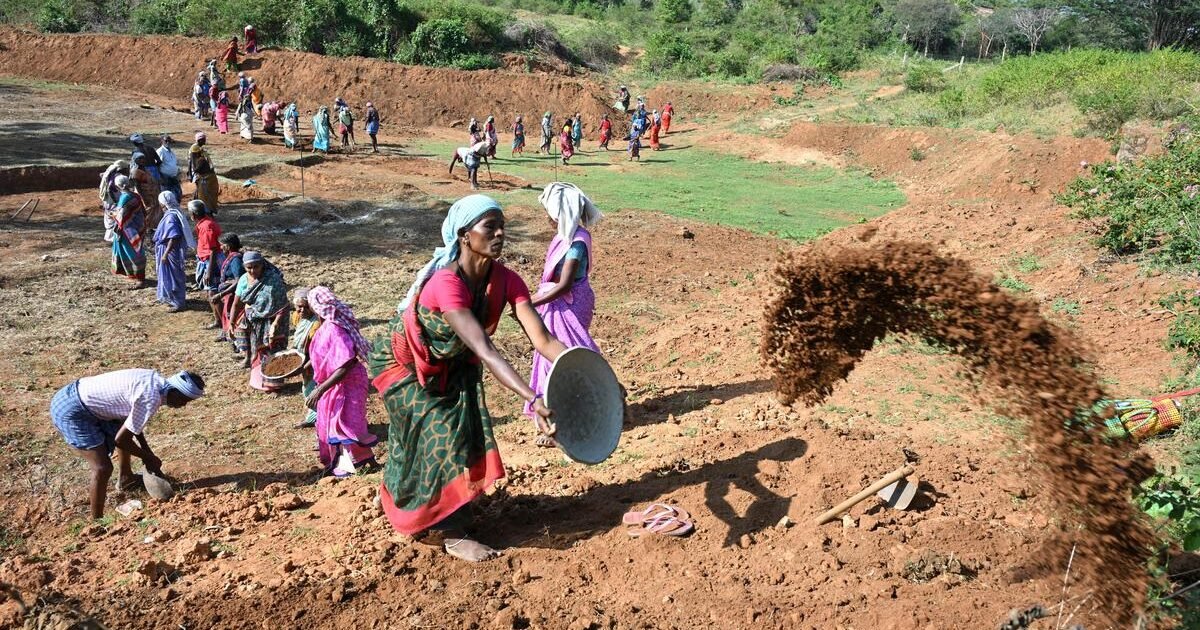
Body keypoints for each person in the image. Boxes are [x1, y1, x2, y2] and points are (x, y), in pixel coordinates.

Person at [367, 194, 566, 562]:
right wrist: (532, 397)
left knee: (463, 432)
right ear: (464, 235)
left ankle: (445, 510)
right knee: (438, 434)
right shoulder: (447, 283)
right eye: (489, 226)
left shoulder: (507, 280)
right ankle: (450, 533)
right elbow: (486, 349)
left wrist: (586, 370)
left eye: (501, 225)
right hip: (407, 369)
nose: (500, 233)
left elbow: (542, 339)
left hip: (455, 366)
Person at [50, 369, 205, 519]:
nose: (184, 405)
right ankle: (96, 521)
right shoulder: (150, 397)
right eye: (184, 400)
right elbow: (121, 440)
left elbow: (132, 425)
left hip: (76, 396)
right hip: (72, 409)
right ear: (175, 391)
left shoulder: (154, 382)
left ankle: (126, 479)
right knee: (102, 468)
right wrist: (148, 458)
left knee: (122, 430)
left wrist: (147, 453)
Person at [527, 182, 603, 446]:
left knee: (563, 360)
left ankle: (560, 421)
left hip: (570, 303)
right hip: (560, 304)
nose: (547, 218)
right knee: (555, 358)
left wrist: (528, 302)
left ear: (558, 214)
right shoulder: (565, 236)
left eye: (549, 212)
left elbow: (564, 285)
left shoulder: (577, 243)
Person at [305, 286, 378, 477]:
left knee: (345, 423)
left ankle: (351, 465)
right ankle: (351, 462)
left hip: (347, 383)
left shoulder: (335, 329)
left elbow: (344, 364)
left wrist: (319, 390)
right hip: (334, 383)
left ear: (315, 307)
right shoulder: (325, 327)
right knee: (334, 423)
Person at [238, 251, 289, 391]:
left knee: (273, 351)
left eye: (256, 266)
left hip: (274, 323)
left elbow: (282, 305)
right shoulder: (245, 279)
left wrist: (275, 325)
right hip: (255, 323)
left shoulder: (273, 280)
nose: (252, 270)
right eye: (249, 267)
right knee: (258, 350)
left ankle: (274, 384)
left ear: (262, 265)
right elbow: (243, 300)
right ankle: (258, 380)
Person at [154, 192, 193, 313]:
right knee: (173, 275)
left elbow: (174, 237)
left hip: (170, 252)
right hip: (169, 250)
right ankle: (173, 298)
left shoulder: (171, 217)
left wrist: (165, 253)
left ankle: (178, 302)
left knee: (174, 276)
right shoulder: (174, 213)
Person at [289, 288, 321, 428]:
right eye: (298, 307)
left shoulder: (317, 324)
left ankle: (319, 418)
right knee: (307, 387)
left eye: (304, 307)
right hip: (303, 357)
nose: (301, 310)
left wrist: (306, 364)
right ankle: (313, 416)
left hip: (315, 360)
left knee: (315, 388)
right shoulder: (297, 316)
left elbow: (318, 350)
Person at [110, 176, 147, 288]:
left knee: (132, 253)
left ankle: (140, 278)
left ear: (118, 186)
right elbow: (142, 212)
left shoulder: (124, 198)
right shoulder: (135, 195)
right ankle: (135, 275)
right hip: (138, 227)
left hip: (129, 231)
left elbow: (121, 217)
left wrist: (113, 215)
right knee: (135, 251)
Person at [208, 233, 244, 336]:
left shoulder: (235, 260)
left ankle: (231, 335)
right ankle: (226, 333)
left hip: (233, 294)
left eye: (222, 245)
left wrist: (220, 294)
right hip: (229, 293)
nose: (220, 247)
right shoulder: (231, 257)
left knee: (230, 314)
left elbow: (239, 280)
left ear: (228, 246)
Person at [192, 200, 222, 296]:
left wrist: (209, 271)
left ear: (193, 214)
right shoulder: (206, 223)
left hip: (211, 261)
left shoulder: (205, 226)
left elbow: (212, 249)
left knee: (212, 290)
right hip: (209, 260)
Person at [130, 152, 162, 231]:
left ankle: (152, 228)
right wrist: (143, 198)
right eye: (140, 159)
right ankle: (147, 229)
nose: (142, 160)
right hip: (145, 196)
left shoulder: (145, 169)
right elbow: (137, 187)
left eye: (143, 158)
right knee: (147, 211)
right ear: (135, 160)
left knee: (154, 211)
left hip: (152, 196)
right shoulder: (136, 172)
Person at [189, 133, 219, 215]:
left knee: (206, 195)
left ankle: (207, 211)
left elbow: (195, 168)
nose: (205, 141)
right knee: (205, 195)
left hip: (208, 178)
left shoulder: (201, 157)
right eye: (204, 139)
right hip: (206, 178)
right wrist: (191, 174)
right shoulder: (197, 154)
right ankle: (206, 210)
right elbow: (192, 164)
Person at [99, 160, 128, 243]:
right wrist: (116, 202)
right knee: (115, 217)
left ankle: (109, 237)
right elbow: (110, 190)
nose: (127, 170)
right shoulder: (117, 177)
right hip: (113, 201)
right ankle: (112, 238)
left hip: (108, 201)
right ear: (121, 169)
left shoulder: (110, 174)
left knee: (110, 217)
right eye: (126, 169)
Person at [156, 135, 183, 201]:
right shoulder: (160, 151)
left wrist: (177, 174)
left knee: (178, 195)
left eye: (169, 141)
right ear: (162, 141)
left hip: (174, 177)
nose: (168, 143)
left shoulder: (171, 152)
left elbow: (173, 164)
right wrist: (161, 177)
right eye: (166, 141)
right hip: (165, 178)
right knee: (168, 197)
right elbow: (156, 165)